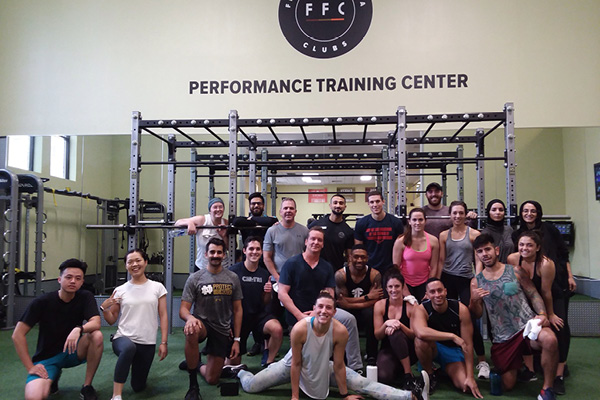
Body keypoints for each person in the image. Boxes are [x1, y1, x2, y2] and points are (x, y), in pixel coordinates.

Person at [238, 291, 430, 400]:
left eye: (328, 307)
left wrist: (345, 395)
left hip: (324, 367)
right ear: (313, 309)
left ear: (334, 311)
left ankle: (411, 396)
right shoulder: (300, 329)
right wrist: (295, 396)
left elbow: (338, 365)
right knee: (252, 386)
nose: (323, 311)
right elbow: (296, 364)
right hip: (290, 366)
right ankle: (239, 371)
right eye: (319, 307)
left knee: (364, 384)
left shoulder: (340, 331)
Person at [470, 233, 559, 400]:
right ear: (477, 255)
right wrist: (474, 301)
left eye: (488, 249)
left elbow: (533, 294)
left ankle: (548, 389)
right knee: (507, 385)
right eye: (480, 251)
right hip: (503, 337)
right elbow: (477, 313)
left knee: (550, 340)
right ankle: (516, 367)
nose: (485, 254)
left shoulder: (516, 270)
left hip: (526, 327)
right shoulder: (476, 282)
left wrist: (542, 314)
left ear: (496, 250)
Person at [12, 258, 103, 400]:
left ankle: (87, 387)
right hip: (48, 357)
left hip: (73, 350)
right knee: (34, 397)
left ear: (82, 282)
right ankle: (52, 379)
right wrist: (30, 367)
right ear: (59, 279)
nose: (73, 281)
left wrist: (78, 329)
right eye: (69, 277)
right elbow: (17, 335)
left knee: (96, 336)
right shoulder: (42, 302)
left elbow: (96, 322)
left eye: (78, 278)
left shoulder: (85, 297)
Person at [278, 227, 363, 371]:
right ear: (306, 241)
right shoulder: (291, 264)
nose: (316, 242)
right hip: (298, 317)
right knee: (307, 359)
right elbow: (282, 294)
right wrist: (299, 315)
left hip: (321, 313)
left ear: (323, 244)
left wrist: (316, 313)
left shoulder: (326, 267)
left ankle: (356, 367)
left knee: (349, 319)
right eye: (313, 239)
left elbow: (330, 294)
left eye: (319, 240)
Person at [511, 200, 574, 391]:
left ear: (537, 247)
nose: (524, 248)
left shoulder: (546, 263)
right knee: (526, 328)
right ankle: (530, 369)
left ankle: (559, 374)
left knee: (559, 328)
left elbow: (546, 292)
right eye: (521, 245)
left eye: (529, 245)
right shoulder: (514, 257)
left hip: (553, 294)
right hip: (530, 297)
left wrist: (550, 314)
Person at [179, 237, 243, 400]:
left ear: (224, 255)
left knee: (212, 379)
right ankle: (193, 386)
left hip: (221, 328)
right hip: (202, 323)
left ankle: (196, 364)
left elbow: (237, 310)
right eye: (212, 252)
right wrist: (190, 318)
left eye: (219, 252)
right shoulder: (195, 278)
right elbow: (183, 309)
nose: (215, 255)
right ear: (206, 254)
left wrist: (236, 339)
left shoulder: (232, 278)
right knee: (191, 331)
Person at [101, 249, 168, 400]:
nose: (134, 264)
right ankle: (116, 395)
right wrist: (104, 308)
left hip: (147, 342)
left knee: (138, 387)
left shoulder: (158, 287)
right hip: (123, 338)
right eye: (130, 262)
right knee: (128, 349)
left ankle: (134, 372)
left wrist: (164, 342)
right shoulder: (120, 290)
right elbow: (112, 319)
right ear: (125, 266)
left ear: (145, 262)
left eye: (138, 260)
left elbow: (163, 316)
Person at [437, 201, 489, 379]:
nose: (458, 216)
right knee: (448, 316)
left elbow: (479, 259)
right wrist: (436, 281)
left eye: (461, 213)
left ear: (466, 214)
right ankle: (452, 356)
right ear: (450, 215)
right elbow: (441, 259)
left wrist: (477, 279)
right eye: (455, 213)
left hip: (467, 279)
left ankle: (481, 360)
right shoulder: (444, 235)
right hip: (447, 278)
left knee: (471, 318)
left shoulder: (474, 234)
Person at [411, 278, 483, 398]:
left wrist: (470, 377)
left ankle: (442, 372)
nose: (437, 295)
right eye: (432, 292)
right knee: (420, 341)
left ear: (446, 291)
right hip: (432, 348)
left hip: (452, 351)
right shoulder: (421, 309)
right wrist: (452, 336)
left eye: (440, 291)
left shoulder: (460, 309)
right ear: (427, 295)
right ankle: (430, 374)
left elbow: (468, 345)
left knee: (465, 386)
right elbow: (420, 332)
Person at [228, 237, 283, 367]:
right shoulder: (233, 272)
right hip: (239, 318)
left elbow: (265, 302)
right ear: (244, 251)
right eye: (251, 249)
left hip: (258, 316)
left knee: (277, 329)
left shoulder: (264, 274)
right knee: (231, 366)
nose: (254, 252)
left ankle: (268, 360)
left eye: (258, 249)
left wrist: (267, 292)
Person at [334, 244, 383, 365]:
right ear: (350, 257)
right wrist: (366, 297)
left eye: (363, 257)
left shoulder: (374, 275)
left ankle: (371, 354)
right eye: (356, 257)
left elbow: (376, 301)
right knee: (343, 316)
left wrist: (350, 302)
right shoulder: (341, 275)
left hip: (366, 310)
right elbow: (341, 302)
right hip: (349, 310)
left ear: (367, 258)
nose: (359, 260)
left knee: (372, 314)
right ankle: (343, 352)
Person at [263, 197, 309, 321]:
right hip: (276, 280)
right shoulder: (272, 231)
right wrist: (278, 278)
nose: (288, 211)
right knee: (273, 317)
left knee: (297, 317)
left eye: (291, 208)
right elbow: (267, 257)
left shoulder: (304, 231)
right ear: (280, 212)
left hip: (298, 281)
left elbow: (309, 255)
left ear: (295, 211)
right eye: (285, 208)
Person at [373, 269, 417, 389]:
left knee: (395, 333)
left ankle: (408, 374)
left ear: (403, 287)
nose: (394, 290)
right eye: (390, 286)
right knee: (383, 377)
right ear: (386, 289)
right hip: (388, 350)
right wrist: (387, 323)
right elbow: (378, 335)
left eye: (397, 286)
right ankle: (399, 369)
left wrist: (399, 325)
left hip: (408, 349)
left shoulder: (410, 306)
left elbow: (414, 335)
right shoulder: (380, 305)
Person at [392, 208, 440, 301]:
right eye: (414, 220)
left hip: (424, 284)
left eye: (420, 220)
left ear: (425, 221)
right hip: (405, 283)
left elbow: (434, 267)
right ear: (409, 221)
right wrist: (405, 292)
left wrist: (429, 289)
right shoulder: (400, 241)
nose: (417, 223)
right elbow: (396, 268)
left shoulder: (433, 241)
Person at [354, 190, 404, 275]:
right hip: (369, 268)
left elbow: (401, 247)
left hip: (390, 268)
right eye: (372, 202)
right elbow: (359, 249)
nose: (375, 205)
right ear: (368, 204)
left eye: (377, 201)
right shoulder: (361, 223)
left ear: (383, 202)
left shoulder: (396, 222)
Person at [175, 197, 230, 270]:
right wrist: (189, 223)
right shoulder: (202, 220)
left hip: (222, 267)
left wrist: (223, 236)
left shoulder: (226, 223)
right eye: (215, 207)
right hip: (202, 267)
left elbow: (231, 248)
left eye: (220, 207)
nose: (218, 209)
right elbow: (177, 223)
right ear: (210, 210)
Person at [308, 193, 355, 271]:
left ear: (345, 207)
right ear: (330, 205)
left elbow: (349, 256)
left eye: (341, 203)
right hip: (314, 270)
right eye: (335, 203)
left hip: (335, 272)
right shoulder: (317, 224)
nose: (338, 205)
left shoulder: (348, 231)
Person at [480, 199, 514, 264]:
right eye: (494, 210)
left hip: (510, 269)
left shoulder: (509, 230)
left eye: (501, 210)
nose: (498, 212)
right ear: (488, 212)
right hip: (493, 271)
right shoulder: (485, 233)